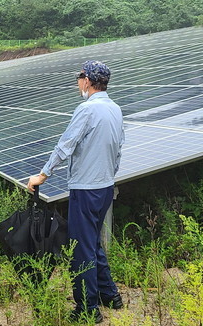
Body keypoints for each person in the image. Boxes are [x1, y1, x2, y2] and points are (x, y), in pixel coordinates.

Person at [27, 60, 125, 324]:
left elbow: (65, 146)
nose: (78, 82)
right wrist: (108, 176)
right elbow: (118, 149)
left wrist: (43, 175)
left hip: (85, 189)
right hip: (105, 187)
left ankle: (87, 309)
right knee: (92, 242)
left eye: (80, 77)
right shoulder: (115, 109)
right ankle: (110, 295)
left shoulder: (87, 109)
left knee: (81, 249)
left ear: (89, 81)